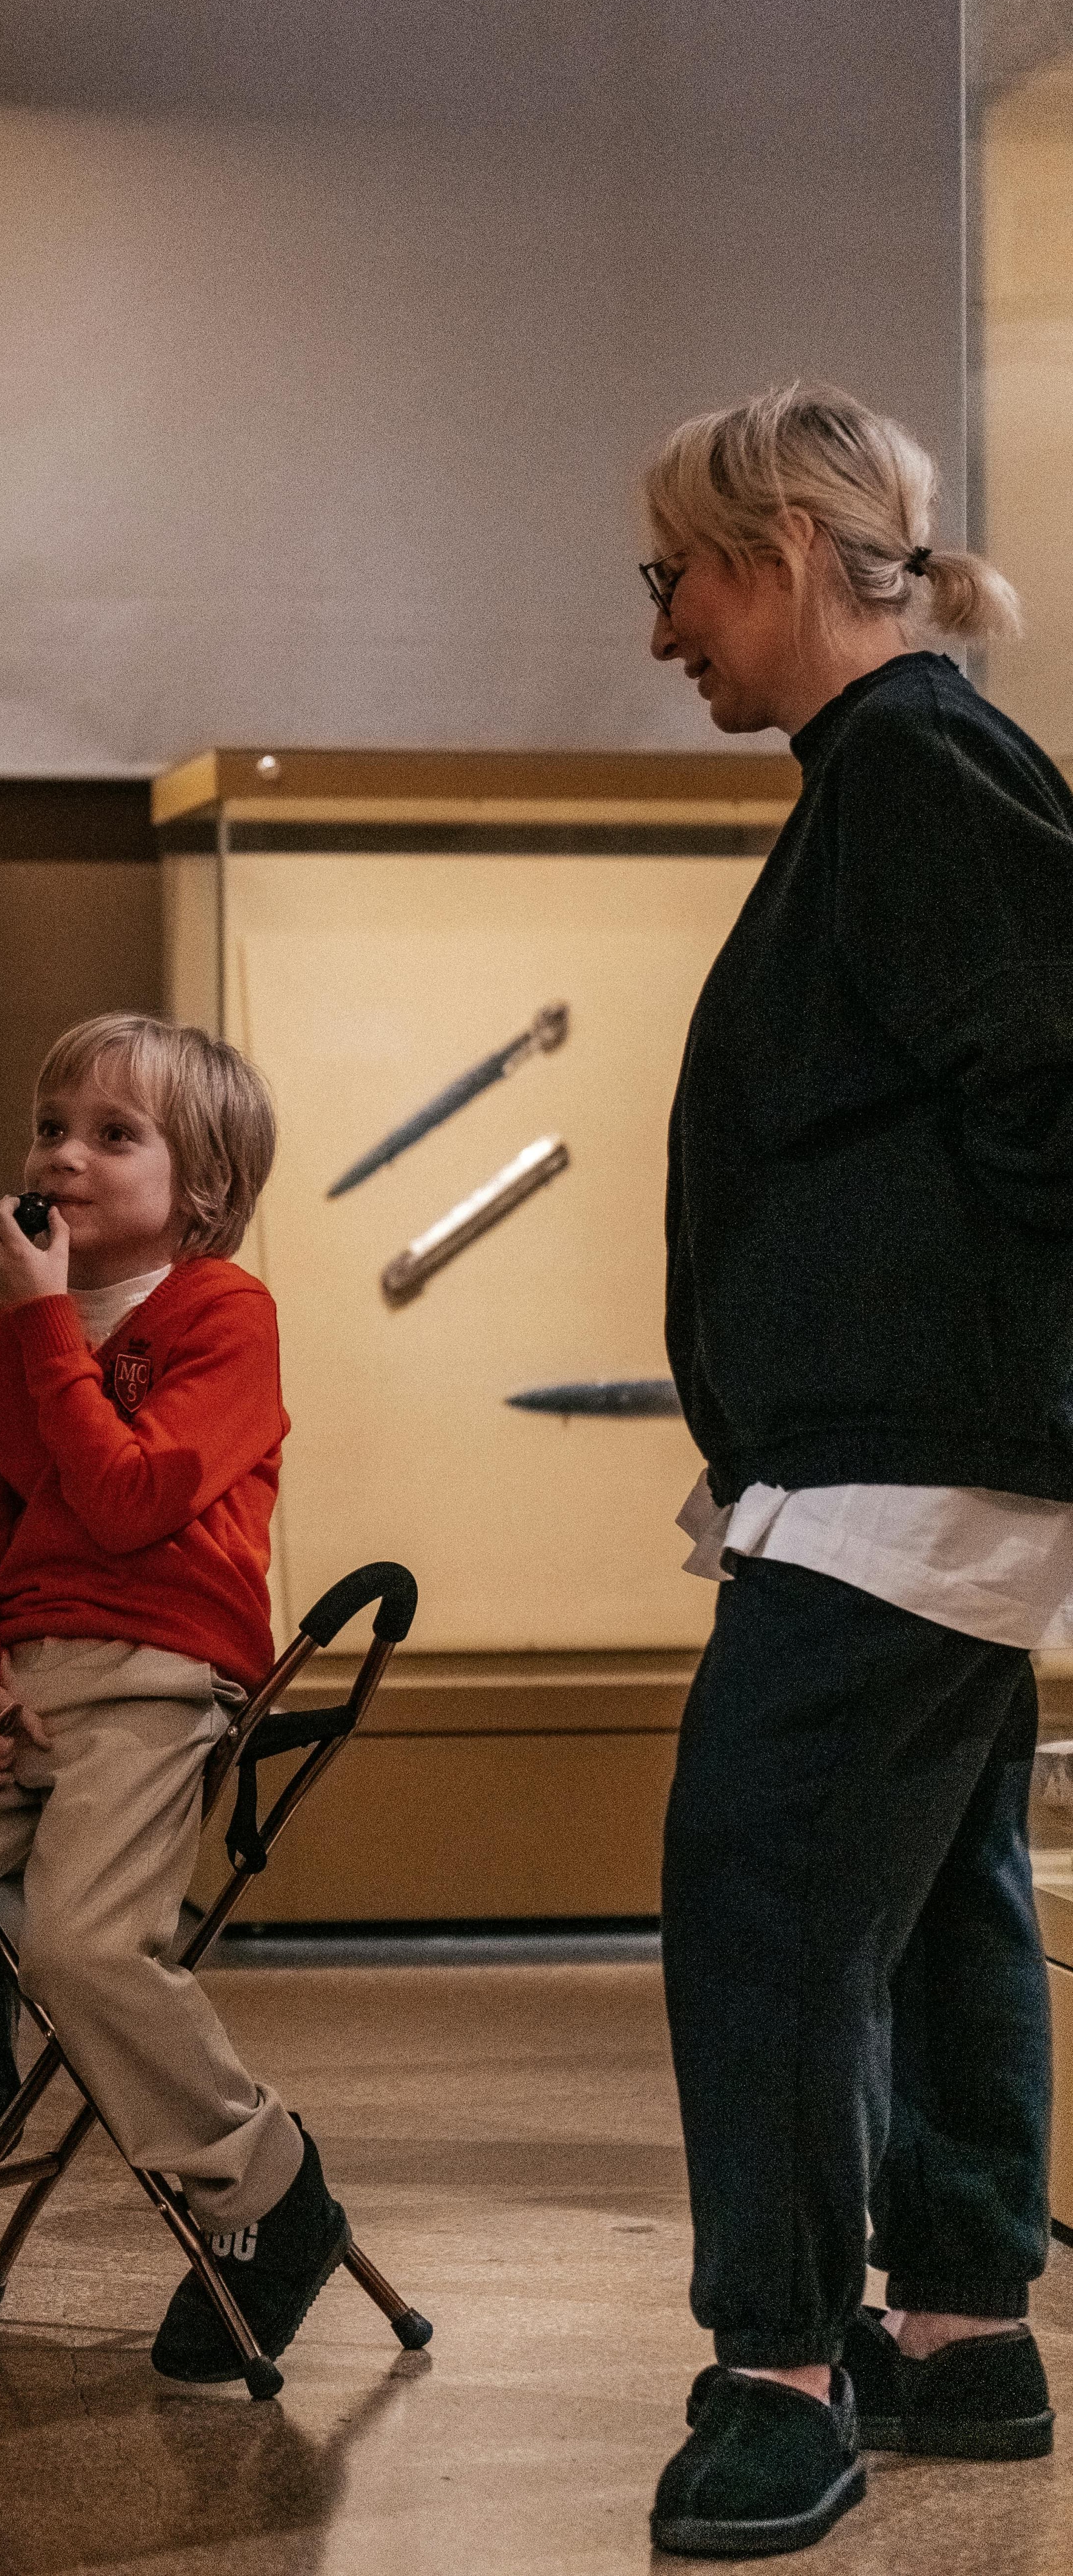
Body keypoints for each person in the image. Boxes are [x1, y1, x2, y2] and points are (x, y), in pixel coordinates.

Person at [640, 384, 1068, 2559]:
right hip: (926, 1467)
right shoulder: (902, 774)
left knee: (766, 1884)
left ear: (787, 551)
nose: (663, 632)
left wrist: (987, 1374)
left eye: (676, 581)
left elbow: (1052, 1089)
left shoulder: (915, 772)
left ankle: (781, 2373)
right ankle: (970, 2334)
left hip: (917, 1474)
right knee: (934, 1899)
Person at [0, 1013, 352, 2381]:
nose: (66, 1156)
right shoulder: (3, 1349)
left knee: (87, 1952)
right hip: (20, 1677)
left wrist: (48, 1323)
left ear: (205, 1190)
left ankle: (263, 2189)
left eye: (115, 1136)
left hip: (160, 1675)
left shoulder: (225, 1317)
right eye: (54, 1128)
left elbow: (129, 1505)